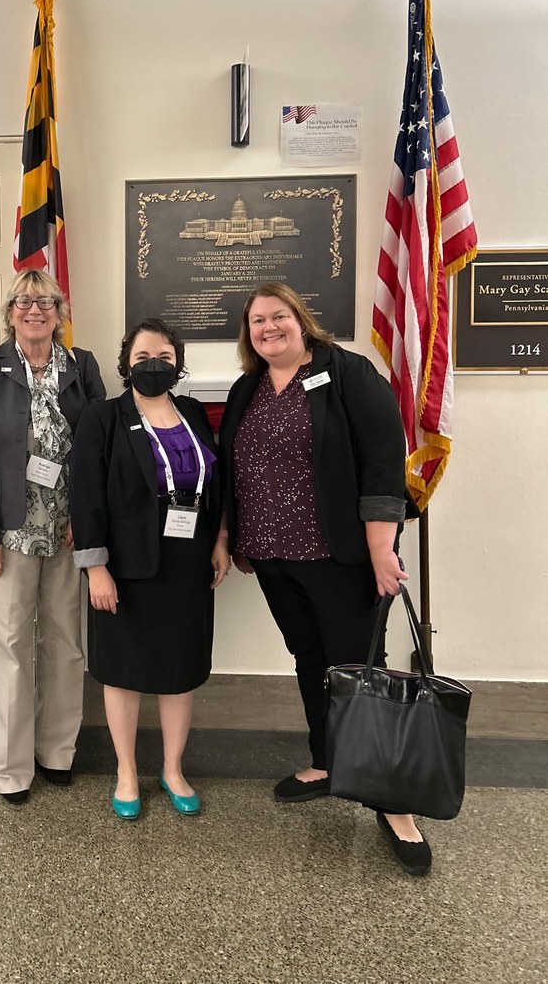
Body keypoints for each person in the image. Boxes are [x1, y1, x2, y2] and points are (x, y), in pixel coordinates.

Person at [217, 282, 431, 875]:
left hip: (340, 554)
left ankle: (394, 803)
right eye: (257, 321)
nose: (268, 328)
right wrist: (229, 536)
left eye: (278, 316)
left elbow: (385, 457)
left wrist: (381, 545)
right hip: (272, 555)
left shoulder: (347, 372)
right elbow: (231, 468)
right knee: (309, 658)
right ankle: (328, 760)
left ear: (300, 319)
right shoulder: (247, 388)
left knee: (361, 669)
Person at [69, 318, 230, 820]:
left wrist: (221, 539)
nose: (153, 365)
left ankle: (173, 768)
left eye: (163, 356)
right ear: (126, 364)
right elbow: (86, 494)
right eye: (142, 358)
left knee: (179, 672)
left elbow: (217, 481)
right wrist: (95, 568)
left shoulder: (194, 413)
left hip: (188, 563)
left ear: (178, 363)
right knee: (124, 672)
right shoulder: (104, 417)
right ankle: (125, 772)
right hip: (125, 566)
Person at [0, 269, 106, 804]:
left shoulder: (82, 366)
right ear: (10, 313)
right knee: (11, 649)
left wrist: (88, 519)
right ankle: (11, 768)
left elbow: (98, 447)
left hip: (69, 531)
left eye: (45, 300)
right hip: (8, 531)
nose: (35, 309)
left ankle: (57, 752)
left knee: (66, 645)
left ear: (59, 311)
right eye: (24, 301)